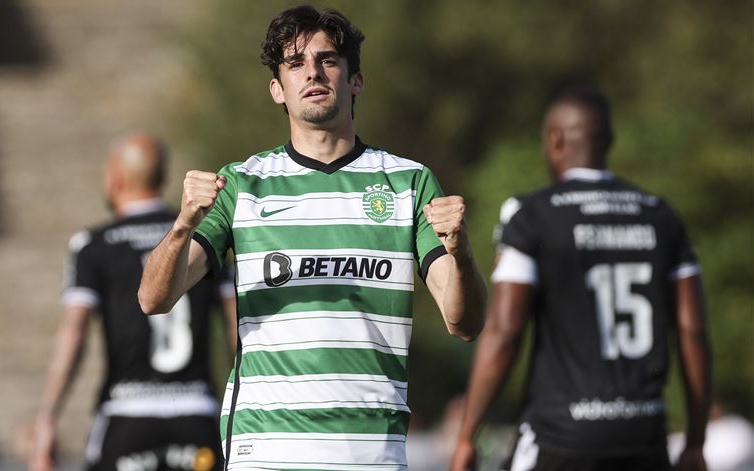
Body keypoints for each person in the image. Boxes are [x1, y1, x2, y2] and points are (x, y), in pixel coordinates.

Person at [138, 6, 487, 469]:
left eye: (328, 60)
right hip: (267, 448)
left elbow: (464, 323)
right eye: (295, 63)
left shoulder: (408, 182)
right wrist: (182, 225)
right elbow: (152, 298)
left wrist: (460, 252)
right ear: (277, 89)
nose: (313, 73)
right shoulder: (241, 184)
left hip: (371, 451)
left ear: (355, 79)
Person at [449, 88, 712, 471]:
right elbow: (693, 331)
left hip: (561, 434)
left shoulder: (532, 215)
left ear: (554, 139)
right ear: (608, 140)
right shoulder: (661, 215)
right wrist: (696, 440)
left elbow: (505, 330)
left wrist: (466, 435)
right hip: (644, 432)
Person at [32, 133, 236, 471]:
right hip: (197, 412)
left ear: (115, 178)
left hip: (126, 414)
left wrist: (48, 416)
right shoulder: (202, 236)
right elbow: (236, 322)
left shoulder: (94, 244)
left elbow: (74, 332)